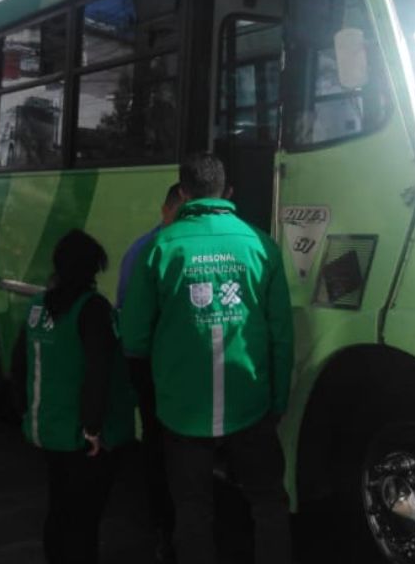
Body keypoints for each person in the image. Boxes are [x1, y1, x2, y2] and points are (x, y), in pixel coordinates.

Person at [120, 153, 294, 564]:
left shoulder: (159, 247)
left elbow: (134, 335)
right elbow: (281, 335)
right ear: (228, 192)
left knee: (193, 510)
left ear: (183, 193)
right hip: (250, 402)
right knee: (268, 502)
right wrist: (277, 401)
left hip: (182, 408)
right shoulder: (260, 245)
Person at [11, 229, 136, 564]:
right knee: (84, 521)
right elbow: (99, 373)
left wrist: (26, 411)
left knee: (59, 508)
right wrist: (93, 429)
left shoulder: (38, 306)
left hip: (48, 429)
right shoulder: (92, 309)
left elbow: (19, 362)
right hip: (81, 438)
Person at [117, 182, 183, 563]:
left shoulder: (143, 249)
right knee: (169, 450)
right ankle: (168, 530)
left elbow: (128, 319)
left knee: (160, 448)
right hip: (167, 371)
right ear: (167, 211)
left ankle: (165, 529)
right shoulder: (151, 250)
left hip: (152, 368)